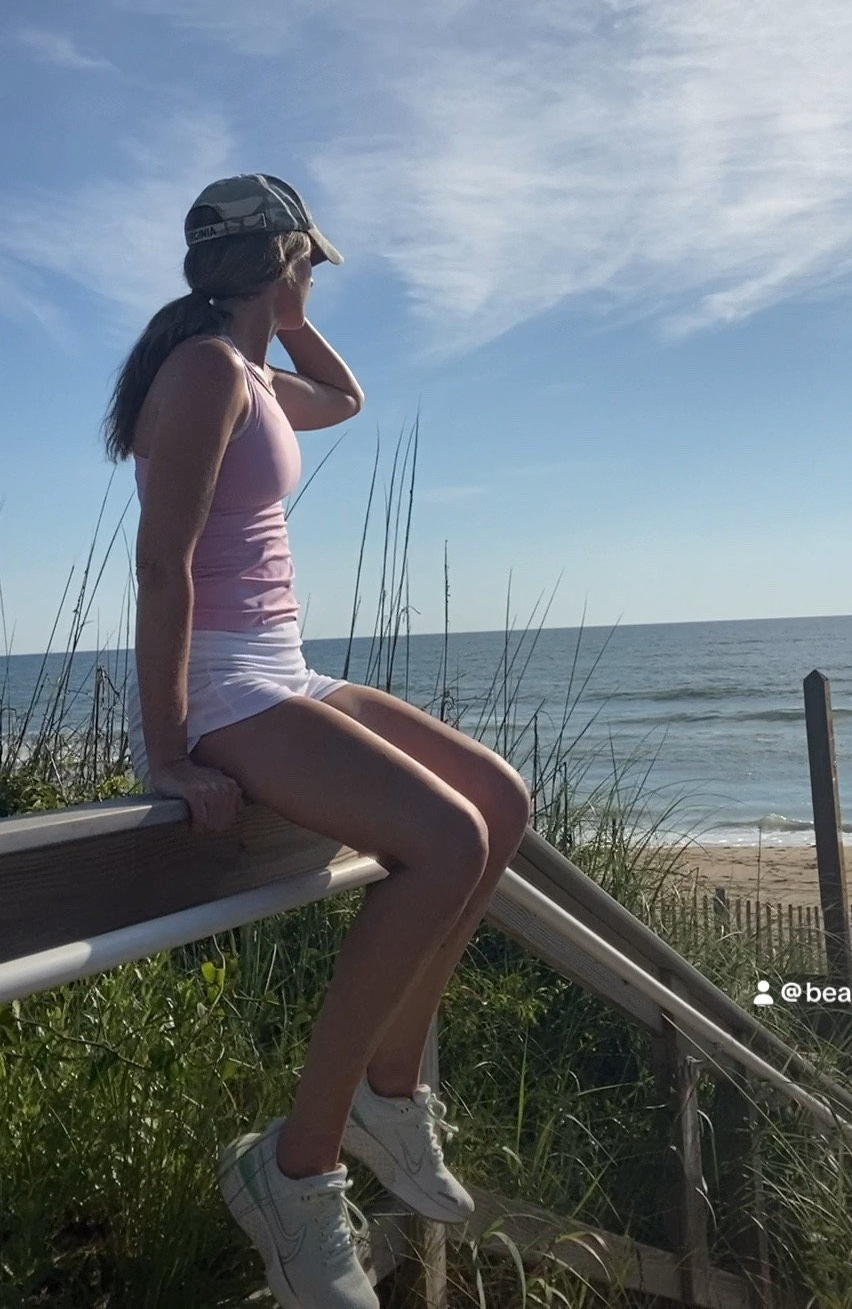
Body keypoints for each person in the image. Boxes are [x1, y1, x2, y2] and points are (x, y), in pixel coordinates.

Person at [104, 173, 532, 1309]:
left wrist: (291, 324)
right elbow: (161, 566)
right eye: (307, 265)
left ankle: (391, 1097)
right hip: (227, 686)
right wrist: (169, 749)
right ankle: (295, 1170)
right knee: (441, 842)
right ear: (278, 257)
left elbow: (343, 399)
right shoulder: (202, 371)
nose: (312, 281)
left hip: (284, 666)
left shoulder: (248, 369)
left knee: (500, 802)